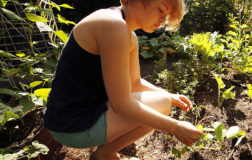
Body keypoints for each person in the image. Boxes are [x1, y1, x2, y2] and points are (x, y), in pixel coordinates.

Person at [43, 0, 201, 159]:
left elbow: (135, 83)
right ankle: (104, 154)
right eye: (161, 10)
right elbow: (121, 105)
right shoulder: (113, 25)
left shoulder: (128, 35)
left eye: (166, 16)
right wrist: (175, 127)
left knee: (164, 101)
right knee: (162, 104)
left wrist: (169, 95)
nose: (163, 20)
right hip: (72, 125)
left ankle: (106, 153)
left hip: (70, 117)